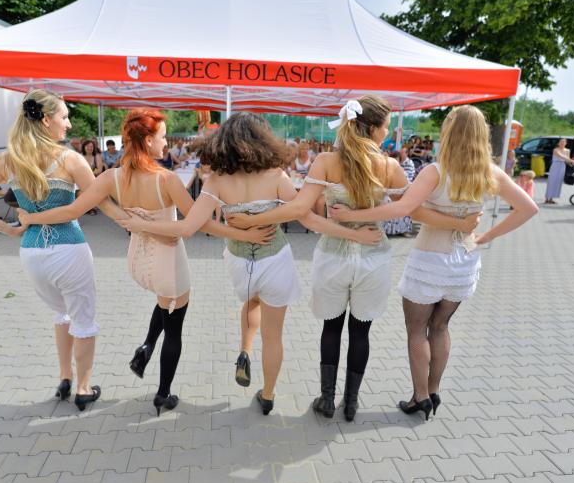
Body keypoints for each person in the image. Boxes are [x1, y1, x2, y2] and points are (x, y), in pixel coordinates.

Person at [225, 98, 480, 422]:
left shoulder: (326, 161)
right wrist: (459, 221)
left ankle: (327, 399)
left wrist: (249, 220)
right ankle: (351, 403)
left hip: (333, 255)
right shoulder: (389, 166)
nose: (387, 133)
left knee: (331, 327)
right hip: (374, 257)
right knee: (361, 332)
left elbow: (299, 208)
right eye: (386, 127)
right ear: (372, 128)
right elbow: (413, 209)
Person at [118, 112, 385, 416]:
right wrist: (355, 234)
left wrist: (140, 225)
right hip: (276, 259)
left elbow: (190, 227)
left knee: (251, 301)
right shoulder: (276, 176)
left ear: (225, 142)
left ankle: (244, 350)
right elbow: (308, 219)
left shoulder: (217, 180)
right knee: (273, 336)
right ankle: (268, 395)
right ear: (264, 140)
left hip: (239, 261)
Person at [18, 108, 272, 416]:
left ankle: (147, 345)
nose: (166, 143)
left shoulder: (110, 177)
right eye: (163, 137)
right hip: (169, 260)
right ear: (148, 140)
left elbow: (73, 210)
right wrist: (243, 234)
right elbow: (199, 223)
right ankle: (163, 394)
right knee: (175, 327)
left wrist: (32, 219)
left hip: (138, 260)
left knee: (164, 302)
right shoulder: (166, 179)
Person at [328, 105, 538, 420]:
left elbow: (404, 210)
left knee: (417, 330)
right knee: (440, 327)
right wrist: (484, 237)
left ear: (449, 132)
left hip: (429, 259)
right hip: (465, 259)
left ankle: (420, 396)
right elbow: (529, 208)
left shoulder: (435, 172)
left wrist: (351, 216)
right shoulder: (490, 173)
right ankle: (434, 390)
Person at [0, 89, 126, 411]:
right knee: (83, 320)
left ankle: (64, 378)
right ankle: (84, 388)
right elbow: (101, 201)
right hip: (69, 249)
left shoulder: (8, 159)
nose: (69, 124)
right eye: (64, 117)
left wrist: (10, 229)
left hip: (32, 253)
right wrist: (131, 222)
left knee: (62, 313)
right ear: (46, 120)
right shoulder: (70, 159)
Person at [383, 152, 416, 236]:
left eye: (397, 160)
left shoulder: (403, 170)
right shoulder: (385, 170)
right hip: (387, 193)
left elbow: (408, 182)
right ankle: (387, 230)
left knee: (402, 203)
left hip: (401, 193)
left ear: (400, 161)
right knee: (386, 201)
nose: (395, 161)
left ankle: (404, 230)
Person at [544, 138, 574, 204]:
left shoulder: (567, 150)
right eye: (561, 142)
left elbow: (567, 159)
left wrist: (571, 163)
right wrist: (572, 160)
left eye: (564, 142)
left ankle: (551, 198)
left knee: (558, 182)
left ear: (566, 143)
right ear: (558, 143)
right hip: (555, 165)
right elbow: (561, 156)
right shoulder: (555, 150)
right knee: (552, 181)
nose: (562, 143)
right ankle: (547, 198)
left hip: (562, 166)